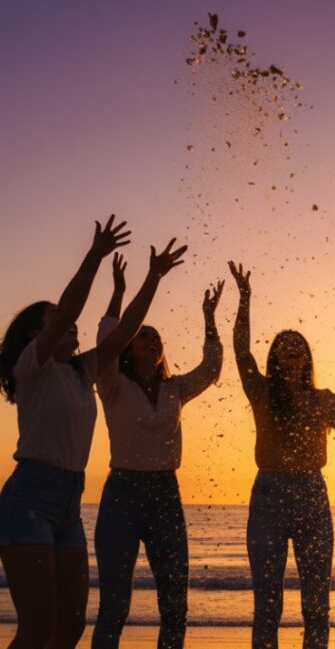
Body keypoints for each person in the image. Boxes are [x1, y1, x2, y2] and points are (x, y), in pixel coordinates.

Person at [0, 218, 186, 649]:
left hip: (70, 502)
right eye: (57, 322)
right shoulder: (33, 367)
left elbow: (126, 330)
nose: (71, 326)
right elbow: (69, 309)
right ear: (36, 334)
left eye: (69, 324)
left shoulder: (83, 371)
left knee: (70, 627)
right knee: (37, 627)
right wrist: (94, 256)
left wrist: (154, 277)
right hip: (29, 498)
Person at [91, 253, 224, 649]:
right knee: (115, 605)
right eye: (143, 336)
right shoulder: (113, 385)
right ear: (128, 347)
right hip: (122, 493)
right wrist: (119, 293)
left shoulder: (175, 389)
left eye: (157, 338)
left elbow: (212, 368)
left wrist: (209, 318)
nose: (152, 340)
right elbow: (107, 338)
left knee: (175, 605)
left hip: (166, 493)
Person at [228, 261, 335, 649]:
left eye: (298, 349)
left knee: (316, 606)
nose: (291, 353)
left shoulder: (321, 398)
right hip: (269, 494)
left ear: (306, 360)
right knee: (267, 606)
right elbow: (240, 351)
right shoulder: (262, 392)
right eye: (284, 349)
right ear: (275, 359)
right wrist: (244, 300)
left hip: (311, 496)